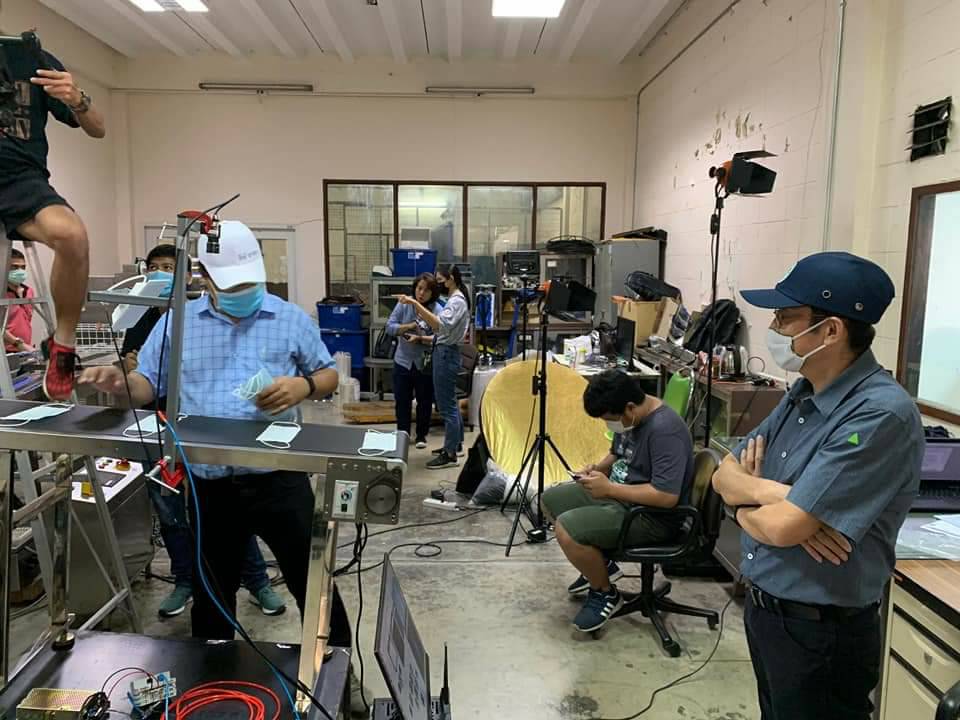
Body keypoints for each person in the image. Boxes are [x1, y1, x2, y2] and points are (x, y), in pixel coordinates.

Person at [78, 221, 351, 647]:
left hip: (280, 477)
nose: (243, 291)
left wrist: (304, 385)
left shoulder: (288, 317)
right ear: (204, 276)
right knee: (212, 594)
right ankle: (213, 672)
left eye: (249, 282)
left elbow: (328, 373)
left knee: (312, 581)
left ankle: (338, 662)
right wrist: (121, 383)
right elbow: (148, 384)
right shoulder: (177, 323)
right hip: (211, 486)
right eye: (232, 284)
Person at [711, 251, 924, 720]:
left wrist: (750, 503)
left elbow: (784, 528)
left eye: (786, 318)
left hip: (822, 633)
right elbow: (723, 473)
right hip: (769, 613)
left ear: (830, 331)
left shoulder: (878, 414)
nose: (774, 328)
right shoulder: (802, 393)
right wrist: (777, 496)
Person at [119, 243, 286, 619]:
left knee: (227, 514)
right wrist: (128, 376)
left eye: (170, 267)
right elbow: (136, 371)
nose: (162, 274)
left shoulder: (206, 317)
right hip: (156, 425)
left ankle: (257, 581)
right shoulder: (138, 317)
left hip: (206, 431)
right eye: (155, 267)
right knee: (171, 511)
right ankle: (185, 581)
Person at [541, 370, 694, 633]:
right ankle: (601, 566)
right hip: (623, 496)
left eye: (609, 420)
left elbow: (666, 497)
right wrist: (598, 470)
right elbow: (618, 452)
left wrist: (610, 489)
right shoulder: (632, 418)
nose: (609, 426)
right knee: (550, 500)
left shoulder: (664, 431)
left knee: (567, 530)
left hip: (652, 517)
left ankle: (605, 592)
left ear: (630, 407)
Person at [0, 37, 104, 400]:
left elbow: (98, 128)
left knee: (73, 236)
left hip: (22, 180)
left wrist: (77, 98)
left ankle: (63, 343)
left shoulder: (28, 56)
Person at [399, 264, 470, 470]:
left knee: (446, 406)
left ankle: (450, 454)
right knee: (450, 403)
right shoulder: (454, 299)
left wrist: (414, 303)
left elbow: (439, 325)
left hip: (446, 354)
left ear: (451, 279)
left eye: (440, 280)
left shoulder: (456, 301)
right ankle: (455, 445)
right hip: (444, 350)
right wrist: (421, 337)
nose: (438, 284)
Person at [386, 272, 438, 449]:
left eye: (426, 290)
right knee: (402, 401)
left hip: (424, 363)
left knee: (425, 401)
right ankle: (403, 435)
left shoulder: (436, 309)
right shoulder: (404, 305)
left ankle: (421, 435)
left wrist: (421, 339)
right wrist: (409, 326)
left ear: (433, 293)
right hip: (403, 361)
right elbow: (390, 327)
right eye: (419, 288)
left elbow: (441, 335)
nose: (421, 293)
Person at [4, 248, 35, 352]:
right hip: (4, 351)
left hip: (25, 349)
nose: (20, 271)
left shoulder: (29, 291)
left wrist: (25, 347)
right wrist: (17, 343)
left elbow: (27, 319)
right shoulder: (2, 294)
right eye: (15, 267)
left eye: (23, 267)